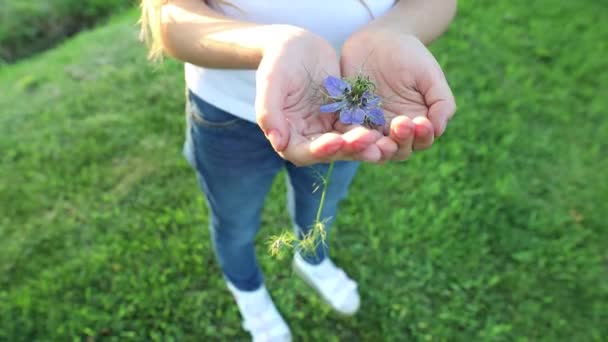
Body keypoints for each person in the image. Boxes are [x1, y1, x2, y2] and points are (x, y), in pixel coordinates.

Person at [140, 0, 457, 340]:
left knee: (321, 203)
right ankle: (247, 289)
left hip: (337, 120)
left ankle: (312, 258)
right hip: (227, 111)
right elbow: (171, 18)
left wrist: (391, 30)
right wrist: (274, 43)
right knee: (234, 222)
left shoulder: (352, 111)